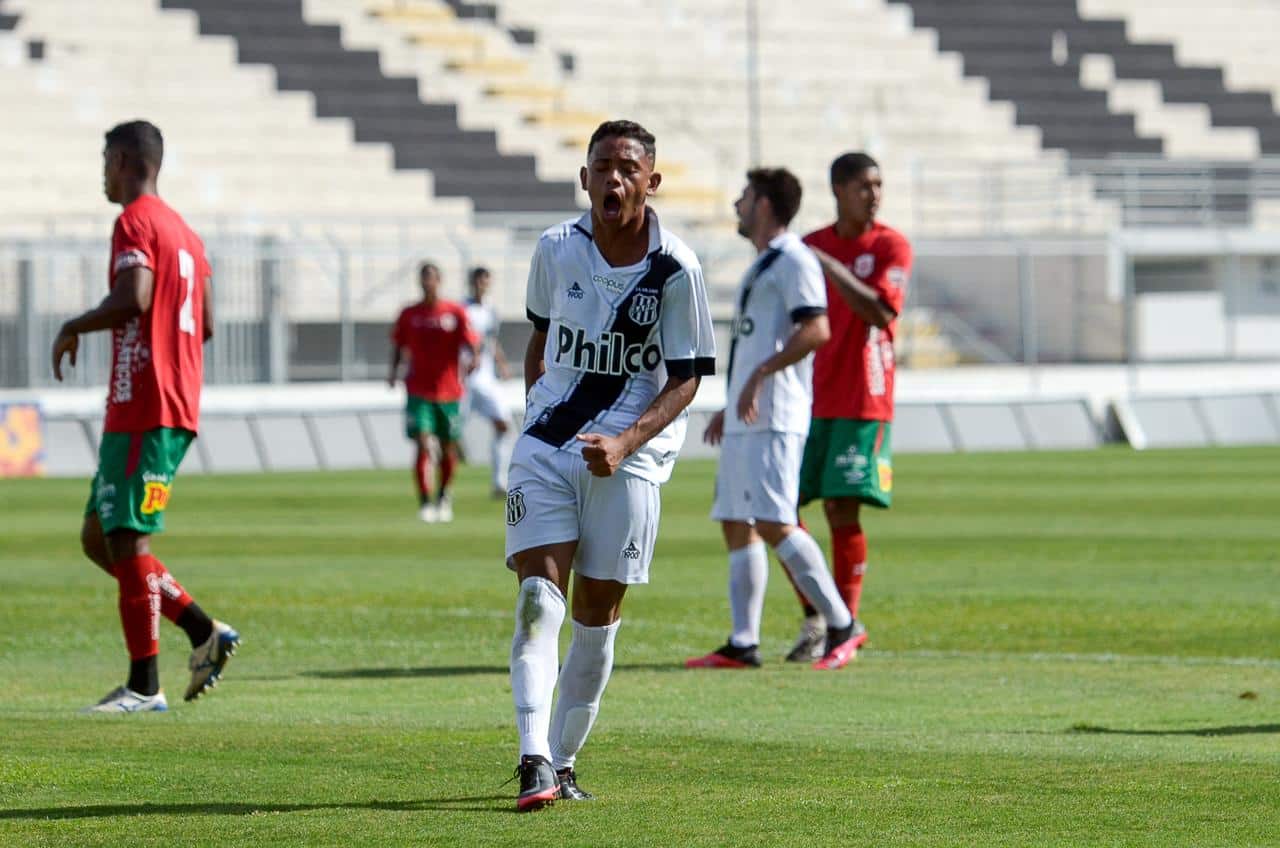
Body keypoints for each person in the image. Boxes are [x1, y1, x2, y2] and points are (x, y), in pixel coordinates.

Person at [505, 119, 715, 811]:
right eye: (603, 166)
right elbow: (541, 337)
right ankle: (532, 758)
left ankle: (563, 762)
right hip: (547, 446)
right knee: (539, 599)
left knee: (596, 618)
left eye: (629, 167)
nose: (615, 179)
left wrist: (624, 442)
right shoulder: (555, 250)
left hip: (629, 462)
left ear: (651, 181)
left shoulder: (675, 268)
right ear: (586, 179)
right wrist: (538, 415)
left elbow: (686, 378)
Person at [51, 120, 239, 713]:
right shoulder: (186, 233)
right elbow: (205, 323)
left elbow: (134, 295)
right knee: (98, 539)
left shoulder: (135, 221)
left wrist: (74, 325)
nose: (103, 172)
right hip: (168, 400)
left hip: (146, 403)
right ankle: (203, 629)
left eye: (107, 159)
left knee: (128, 538)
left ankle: (143, 684)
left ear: (128, 159)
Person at [684, 168, 859, 672]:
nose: (737, 205)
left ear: (763, 204)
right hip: (747, 414)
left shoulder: (795, 260)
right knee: (737, 523)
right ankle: (744, 642)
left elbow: (817, 328)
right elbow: (758, 338)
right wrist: (733, 396)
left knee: (776, 520)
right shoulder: (764, 264)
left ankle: (842, 622)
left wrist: (761, 375)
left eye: (744, 197)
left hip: (777, 413)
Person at [784, 152, 914, 662]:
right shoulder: (809, 245)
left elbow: (880, 311)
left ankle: (845, 626)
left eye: (879, 185)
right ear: (837, 189)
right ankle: (818, 614)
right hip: (809, 397)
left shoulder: (889, 245)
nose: (874, 194)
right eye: (864, 185)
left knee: (841, 508)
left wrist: (831, 267)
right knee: (780, 510)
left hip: (863, 397)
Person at [388, 263, 479, 523]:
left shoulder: (454, 312)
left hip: (449, 392)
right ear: (420, 282)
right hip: (418, 390)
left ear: (439, 281)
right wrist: (393, 372)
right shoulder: (409, 314)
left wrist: (474, 359)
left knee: (448, 448)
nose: (428, 283)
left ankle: (443, 495)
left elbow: (471, 341)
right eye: (424, 279)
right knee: (423, 443)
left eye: (432, 279)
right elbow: (398, 345)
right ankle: (425, 502)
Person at [462, 266, 514, 498]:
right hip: (462, 379)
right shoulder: (461, 309)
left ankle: (498, 482)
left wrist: (501, 364)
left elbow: (491, 341)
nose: (482, 284)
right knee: (450, 435)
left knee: (504, 425)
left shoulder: (491, 309)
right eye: (479, 280)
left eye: (485, 281)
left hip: (485, 378)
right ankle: (444, 488)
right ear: (471, 282)